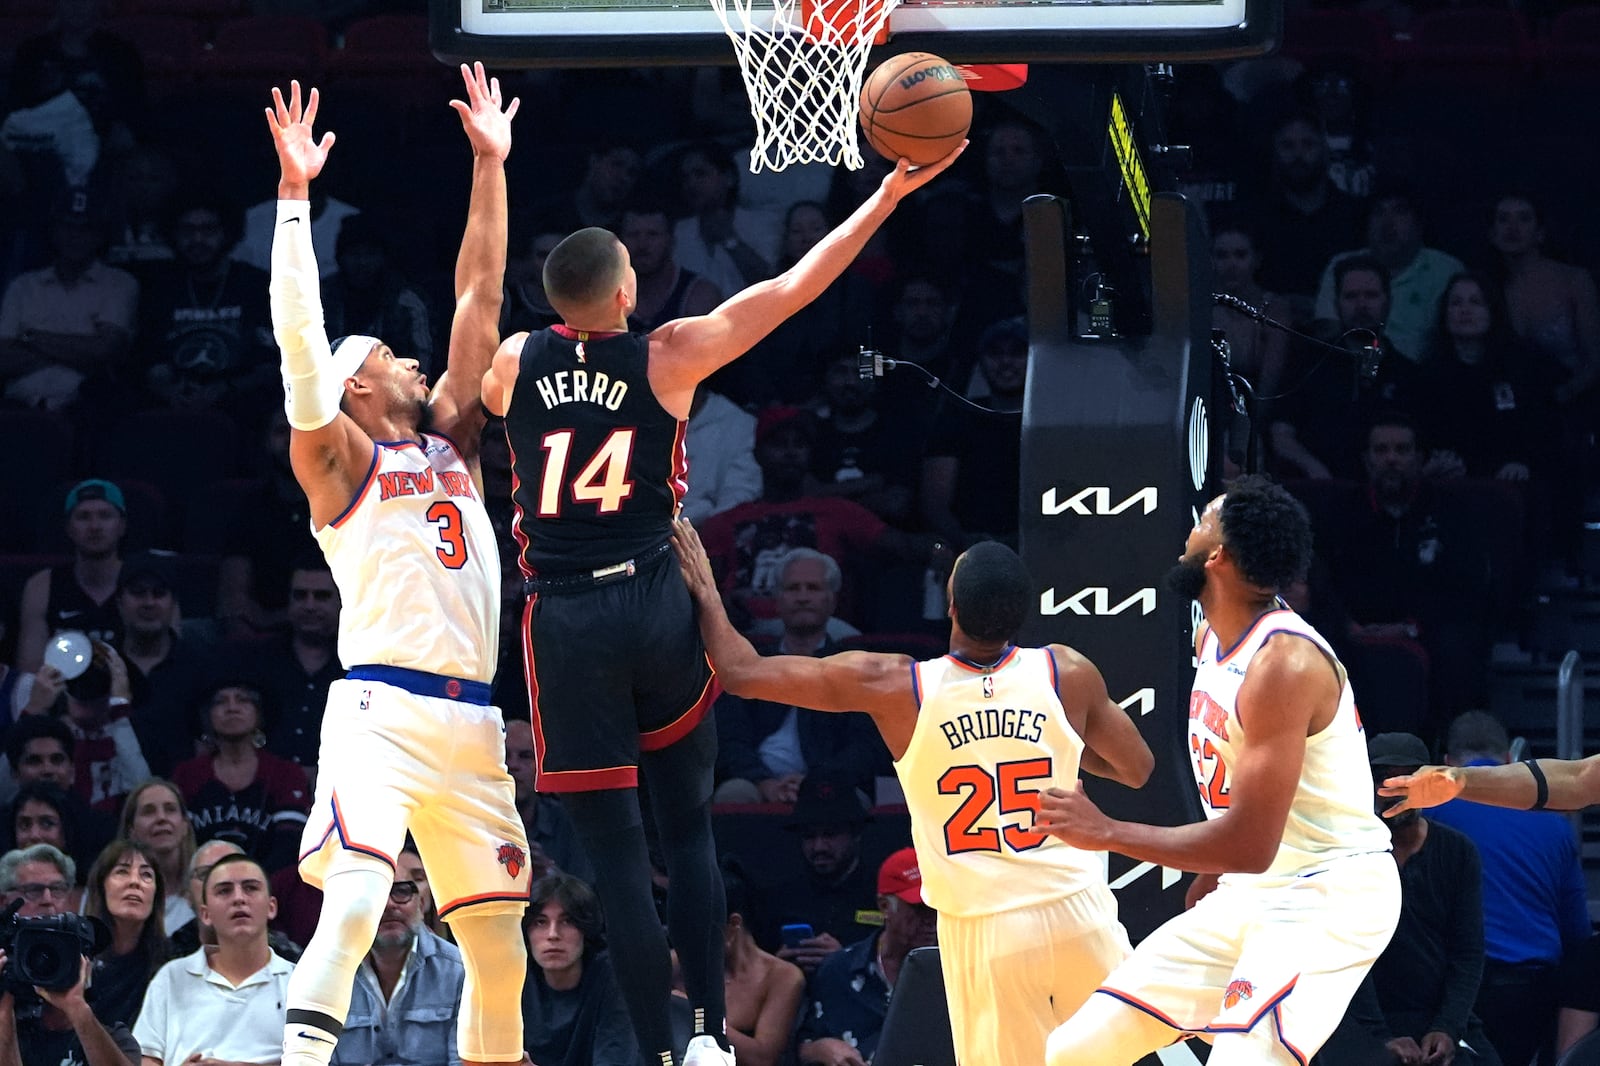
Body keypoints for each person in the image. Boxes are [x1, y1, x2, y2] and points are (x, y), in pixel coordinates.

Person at [480, 126, 963, 1066]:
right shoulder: (668, 354)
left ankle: (660, 1045)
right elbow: (793, 290)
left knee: (614, 848)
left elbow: (488, 381)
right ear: (627, 291)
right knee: (688, 820)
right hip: (657, 596)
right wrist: (890, 196)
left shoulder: (513, 364)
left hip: (566, 617)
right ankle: (706, 1032)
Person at [264, 70, 530, 1066]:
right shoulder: (336, 460)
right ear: (358, 382)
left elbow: (480, 291)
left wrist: (490, 164)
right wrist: (295, 200)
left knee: (498, 942)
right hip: (380, 709)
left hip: (472, 720)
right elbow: (296, 342)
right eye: (383, 353)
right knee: (358, 898)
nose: (407, 357)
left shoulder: (452, 440)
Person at [678, 523, 1154, 1066]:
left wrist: (706, 591)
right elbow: (1136, 769)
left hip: (987, 927)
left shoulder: (896, 686)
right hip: (1078, 910)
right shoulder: (1066, 671)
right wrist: (1062, 747)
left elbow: (740, 672)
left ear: (949, 603)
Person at [1034, 475, 1401, 1066]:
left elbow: (1251, 843)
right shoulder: (1214, 633)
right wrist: (1212, 876)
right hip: (1253, 887)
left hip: (1327, 893)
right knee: (1075, 1050)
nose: (1188, 532)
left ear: (1220, 556)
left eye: (1202, 520)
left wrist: (1105, 832)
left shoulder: (1282, 664)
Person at [1427, 711, 1590, 1066]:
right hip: (1533, 994)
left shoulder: (1431, 815)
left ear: (1447, 763)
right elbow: (1577, 932)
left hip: (1455, 992)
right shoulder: (1555, 826)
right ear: (1509, 760)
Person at [133, 854, 296, 1066]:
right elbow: (146, 1058)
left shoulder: (298, 982)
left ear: (271, 907)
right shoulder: (172, 977)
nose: (239, 898)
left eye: (250, 888)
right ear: (205, 914)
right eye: (224, 891)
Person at [0, 843, 141, 1066]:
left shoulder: (109, 1035)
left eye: (57, 889)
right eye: (33, 890)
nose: (47, 899)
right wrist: (3, 1005)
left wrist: (77, 1008)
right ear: (4, 901)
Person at [795, 848, 939, 1066]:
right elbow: (804, 1043)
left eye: (937, 906)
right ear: (884, 907)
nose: (931, 919)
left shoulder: (960, 971)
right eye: (919, 908)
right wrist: (822, 1048)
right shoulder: (839, 969)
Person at [331, 846, 465, 1066]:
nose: (388, 904)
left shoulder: (460, 970)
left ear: (421, 905)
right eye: (374, 894)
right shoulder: (327, 973)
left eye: (401, 892)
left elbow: (462, 1062)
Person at [170, 680, 311, 871]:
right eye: (220, 702)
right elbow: (178, 845)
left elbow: (288, 846)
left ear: (259, 713)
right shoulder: (187, 774)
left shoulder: (286, 774)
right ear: (207, 715)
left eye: (242, 700)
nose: (232, 708)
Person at [520, 873, 639, 1066]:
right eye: (540, 922)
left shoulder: (614, 977)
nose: (553, 935)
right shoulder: (514, 977)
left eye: (567, 921)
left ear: (586, 928)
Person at [15, 478, 128, 673]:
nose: (94, 526)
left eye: (105, 515)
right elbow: (29, 675)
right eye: (83, 517)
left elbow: (163, 666)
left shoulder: (145, 585)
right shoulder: (42, 586)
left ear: (121, 526)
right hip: (60, 698)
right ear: (68, 528)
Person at [717, 858, 803, 1066]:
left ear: (732, 925)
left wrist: (693, 1015)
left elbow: (763, 1059)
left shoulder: (782, 976)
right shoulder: (675, 966)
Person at [83, 839, 172, 1029]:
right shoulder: (77, 957)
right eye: (122, 871)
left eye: (146, 875)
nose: (134, 882)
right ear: (101, 886)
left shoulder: (171, 963)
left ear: (156, 895)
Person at [118, 779, 196, 934]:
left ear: (185, 825)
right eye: (148, 811)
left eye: (170, 809)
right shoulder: (115, 896)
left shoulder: (205, 893)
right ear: (131, 830)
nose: (161, 818)